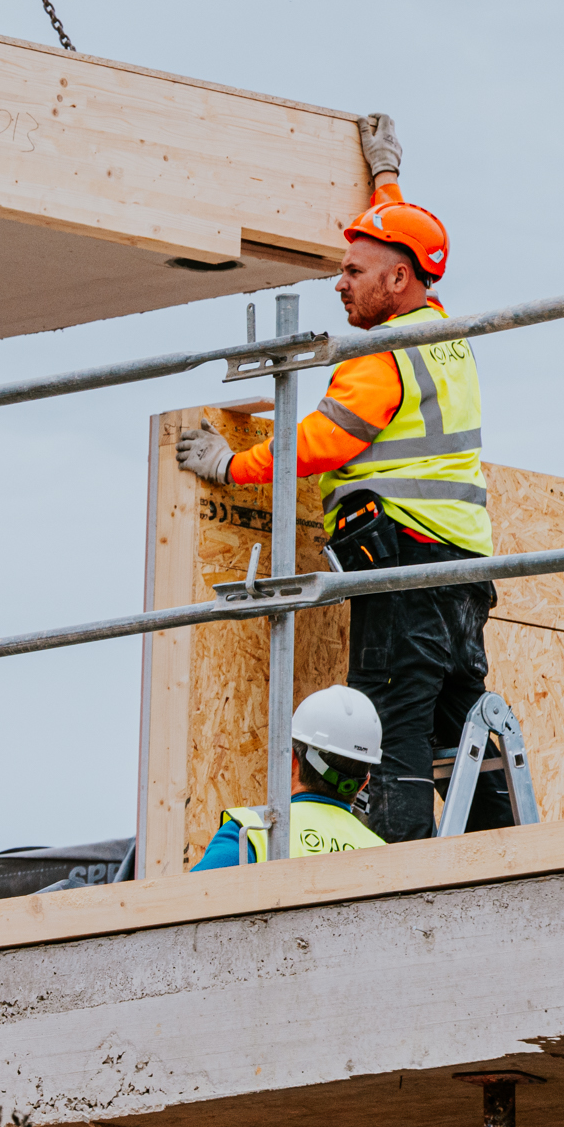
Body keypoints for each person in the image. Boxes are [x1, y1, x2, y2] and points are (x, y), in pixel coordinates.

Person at [175, 114, 511, 843]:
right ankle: (511, 861)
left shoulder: (378, 356)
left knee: (391, 737)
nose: (339, 282)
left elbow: (324, 441)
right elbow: (404, 240)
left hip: (406, 578)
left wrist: (231, 464)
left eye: (353, 272)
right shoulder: (441, 335)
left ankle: (397, 892)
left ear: (396, 280)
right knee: (465, 741)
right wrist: (385, 173)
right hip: (462, 574)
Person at [190, 686, 388, 869]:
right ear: (364, 783)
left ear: (292, 759)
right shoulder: (385, 854)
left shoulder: (251, 832)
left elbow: (191, 900)